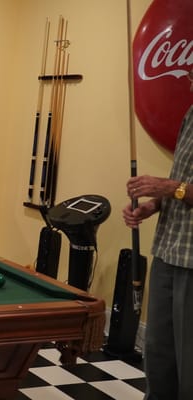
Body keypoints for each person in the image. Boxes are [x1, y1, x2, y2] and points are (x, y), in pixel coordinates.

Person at [122, 67, 193, 400]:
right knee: (159, 361)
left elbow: (179, 187)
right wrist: (154, 204)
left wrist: (171, 188)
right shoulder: (190, 114)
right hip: (167, 249)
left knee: (189, 370)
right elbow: (182, 183)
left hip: (192, 262)